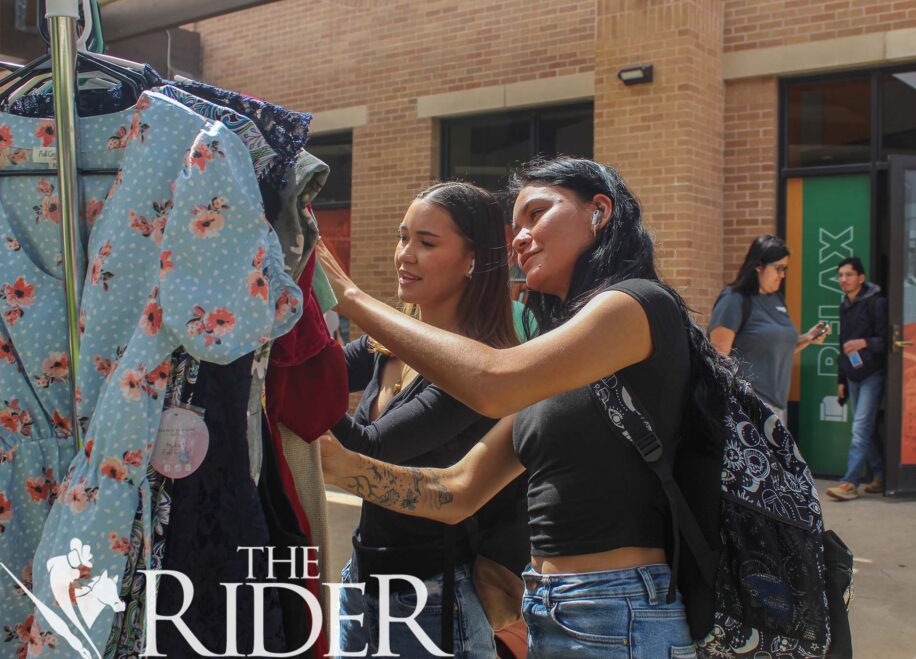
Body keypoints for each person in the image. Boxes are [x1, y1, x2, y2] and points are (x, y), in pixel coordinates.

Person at [315, 157, 744, 657]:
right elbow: (456, 491)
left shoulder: (637, 305)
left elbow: (491, 381)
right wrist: (339, 466)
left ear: (598, 212)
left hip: (618, 607)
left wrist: (348, 296)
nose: (519, 238)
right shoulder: (554, 352)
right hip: (549, 608)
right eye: (515, 226)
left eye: (536, 214)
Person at [325, 182, 526, 657]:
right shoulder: (387, 342)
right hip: (360, 582)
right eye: (402, 237)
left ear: (473, 260)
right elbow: (324, 370)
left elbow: (369, 449)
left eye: (426, 243)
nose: (404, 255)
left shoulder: (480, 366)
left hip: (434, 600)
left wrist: (347, 299)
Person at [708, 234, 829, 423]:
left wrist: (807, 338)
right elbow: (718, 358)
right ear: (758, 266)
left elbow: (775, 348)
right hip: (747, 407)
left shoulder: (777, 300)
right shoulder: (733, 299)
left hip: (778, 407)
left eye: (785, 269)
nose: (783, 275)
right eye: (778, 268)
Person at [828, 256, 887, 501]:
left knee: (861, 427)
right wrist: (841, 378)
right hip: (852, 375)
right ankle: (880, 476)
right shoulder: (845, 305)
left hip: (873, 373)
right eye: (840, 275)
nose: (843, 279)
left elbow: (887, 340)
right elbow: (843, 345)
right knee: (866, 427)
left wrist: (864, 342)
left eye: (848, 275)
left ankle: (850, 482)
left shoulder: (877, 303)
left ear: (861, 278)